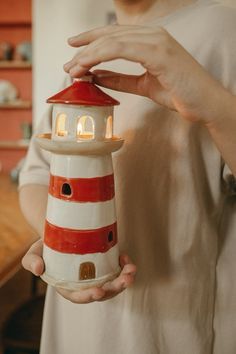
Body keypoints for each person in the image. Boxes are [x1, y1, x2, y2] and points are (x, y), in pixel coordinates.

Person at [19, 0, 236, 353]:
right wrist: (62, 246)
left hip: (170, 330)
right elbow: (36, 173)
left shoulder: (227, 30)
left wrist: (214, 106)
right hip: (74, 327)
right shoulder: (89, 55)